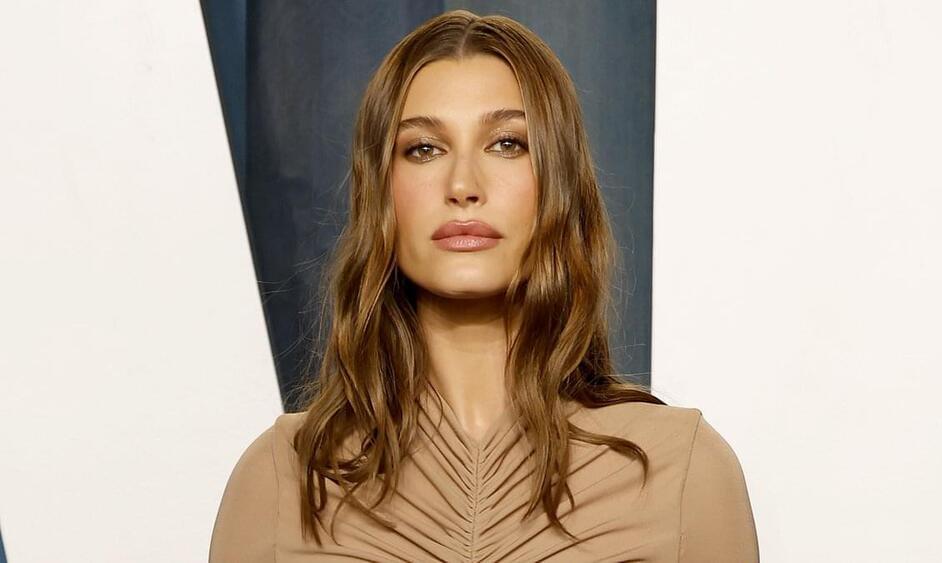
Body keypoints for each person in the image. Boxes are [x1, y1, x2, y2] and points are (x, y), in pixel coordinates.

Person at [209, 9, 759, 562]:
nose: (463, 185)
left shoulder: (681, 472)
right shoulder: (281, 480)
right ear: (380, 192)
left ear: (560, 184)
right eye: (424, 149)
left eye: (507, 143)